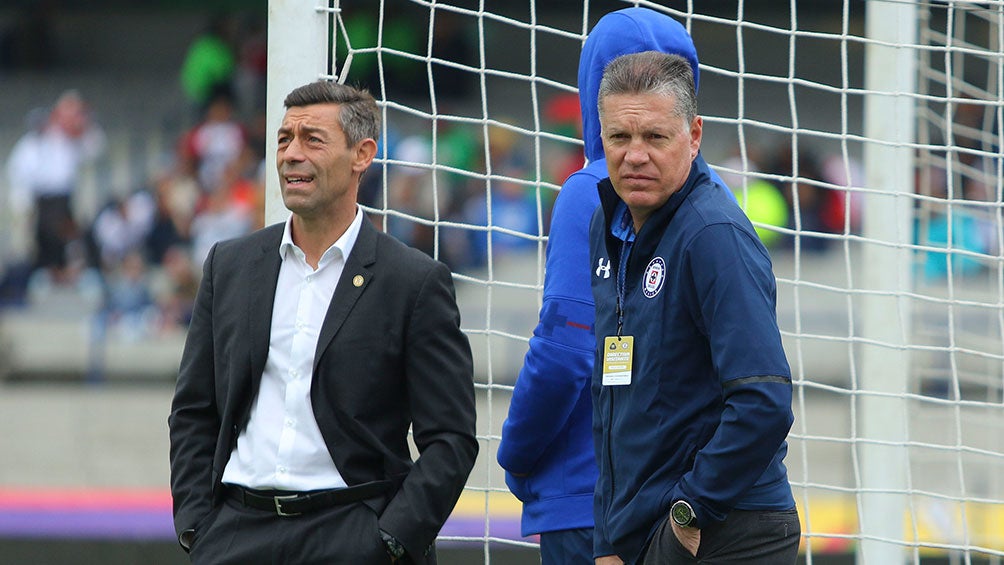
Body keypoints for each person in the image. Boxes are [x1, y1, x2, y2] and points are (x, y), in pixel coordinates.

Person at [169, 80, 478, 564]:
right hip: (234, 535)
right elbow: (193, 411)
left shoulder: (414, 281)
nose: (292, 154)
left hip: (353, 535)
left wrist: (390, 540)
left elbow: (451, 439)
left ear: (362, 155)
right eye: (284, 139)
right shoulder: (229, 265)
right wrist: (196, 526)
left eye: (312, 139)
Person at [496, 8, 734, 564]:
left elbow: (566, 351)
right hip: (681, 501)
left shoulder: (593, 190)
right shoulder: (716, 197)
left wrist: (517, 453)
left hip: (592, 505)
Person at [588, 52, 800, 564]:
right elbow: (611, 402)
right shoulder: (609, 226)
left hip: (726, 531)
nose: (635, 155)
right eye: (619, 137)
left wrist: (690, 513)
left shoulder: (712, 236)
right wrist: (609, 540)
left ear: (695, 135)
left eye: (655, 137)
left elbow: (763, 401)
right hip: (645, 533)